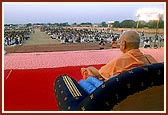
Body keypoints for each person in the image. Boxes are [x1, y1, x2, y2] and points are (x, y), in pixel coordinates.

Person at [79, 30, 157, 94]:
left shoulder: (121, 60)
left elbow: (100, 75)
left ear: (123, 44)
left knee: (83, 80)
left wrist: (91, 69)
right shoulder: (148, 58)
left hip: (110, 93)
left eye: (120, 42)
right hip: (138, 91)